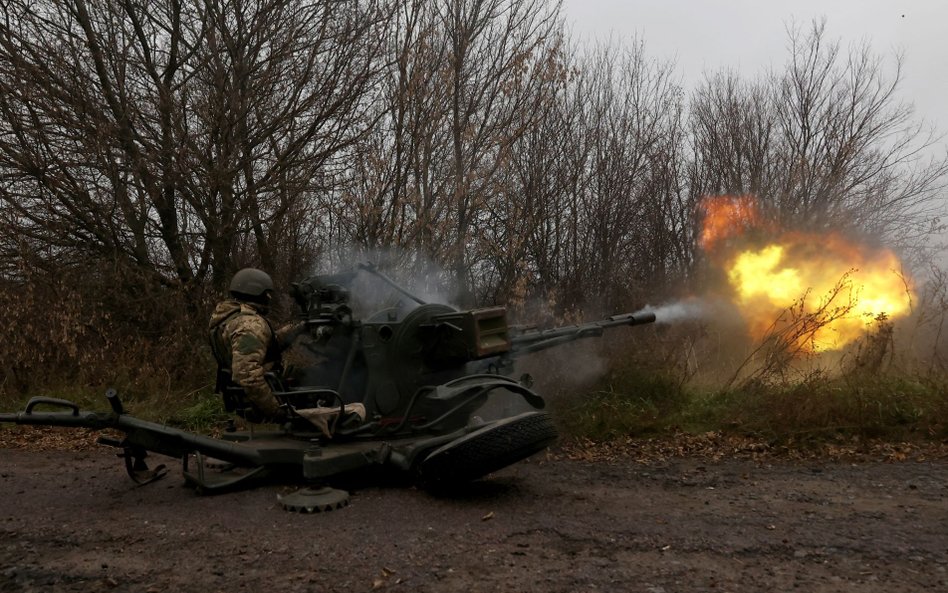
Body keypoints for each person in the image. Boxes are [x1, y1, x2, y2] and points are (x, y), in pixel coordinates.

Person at [209, 267, 296, 423]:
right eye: (267, 294)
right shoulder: (250, 324)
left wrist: (297, 328)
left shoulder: (229, 316)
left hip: (239, 397)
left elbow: (267, 344)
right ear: (257, 293)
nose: (269, 298)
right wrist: (277, 411)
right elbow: (247, 375)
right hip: (255, 405)